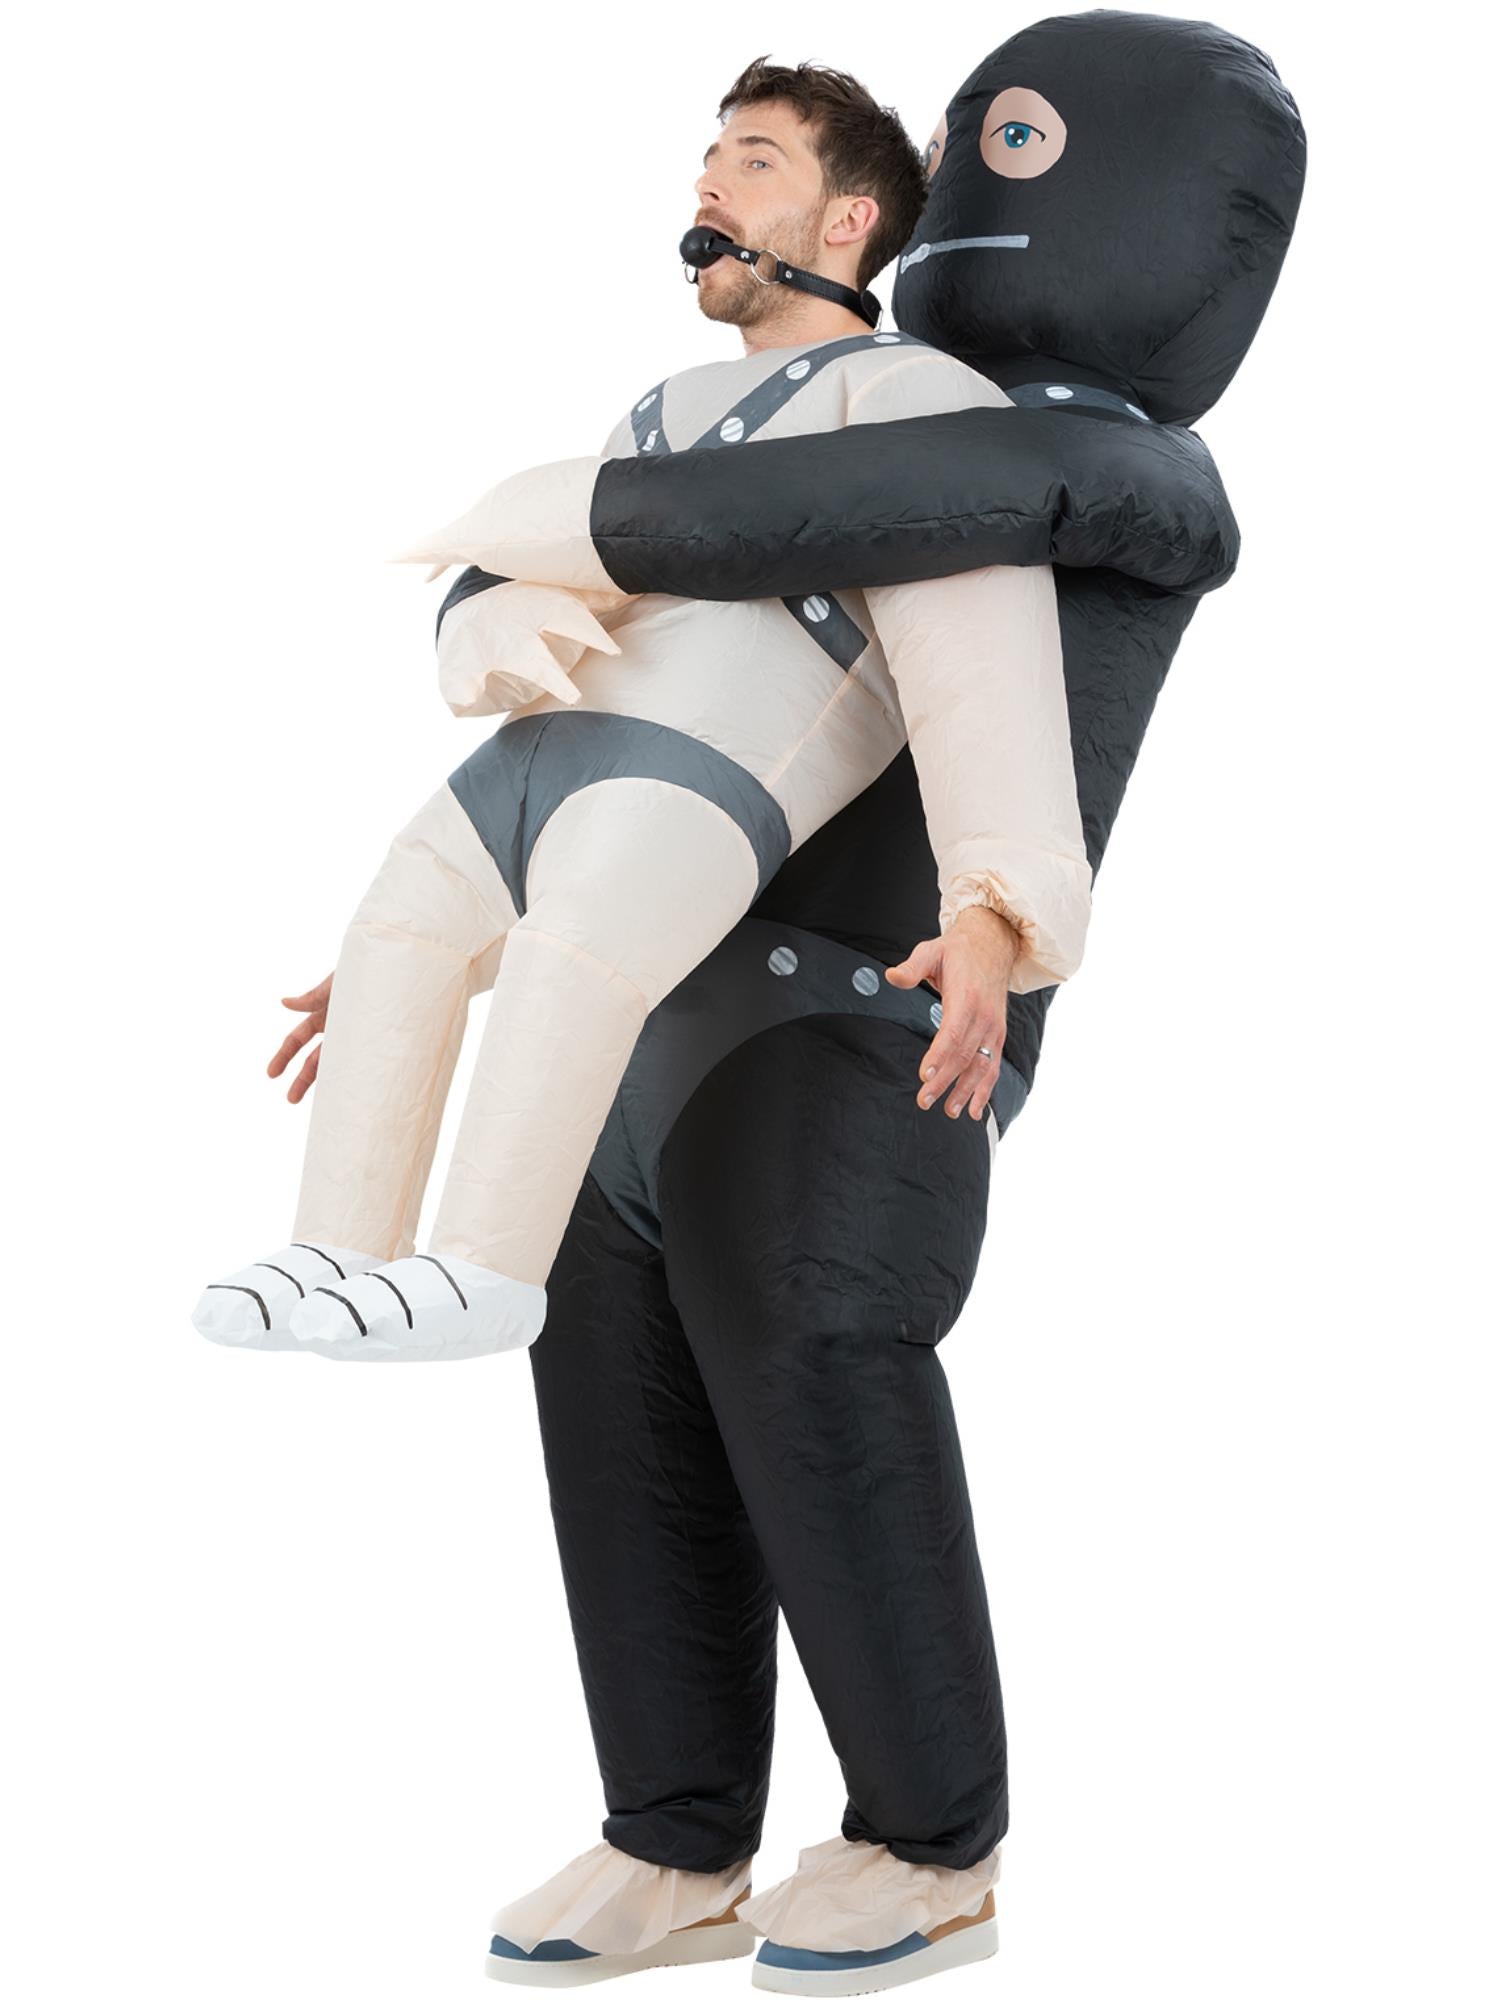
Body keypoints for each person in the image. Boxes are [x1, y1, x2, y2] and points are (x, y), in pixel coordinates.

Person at [250, 20, 1303, 1994]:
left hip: (865, 1015)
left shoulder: (1109, 474)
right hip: (644, 971)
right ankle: (674, 1840)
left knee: (817, 1373)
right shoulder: (780, 420)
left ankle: (932, 1845)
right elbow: (647, 621)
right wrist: (447, 908)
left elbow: (843, 530)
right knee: (610, 1403)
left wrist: (539, 514)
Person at [189, 65, 1091, 1364]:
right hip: (538, 754)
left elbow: (983, 657)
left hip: (700, 770)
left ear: (849, 219)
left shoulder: (916, 405)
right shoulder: (659, 415)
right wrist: (445, 961)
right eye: (710, 161)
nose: (710, 186)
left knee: (576, 960)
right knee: (395, 935)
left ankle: (482, 1271)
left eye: (757, 160)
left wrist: (998, 908)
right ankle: (332, 1246)